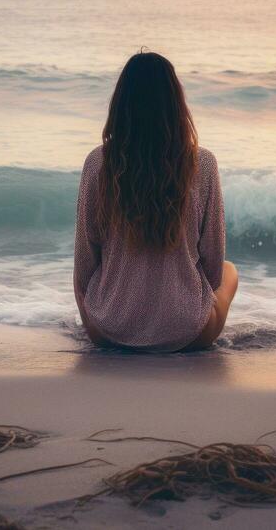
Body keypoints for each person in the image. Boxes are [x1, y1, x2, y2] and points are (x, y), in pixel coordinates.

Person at [73, 50, 238, 352]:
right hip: (187, 334)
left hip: (109, 329)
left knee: (96, 275)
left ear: (121, 103)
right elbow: (213, 267)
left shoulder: (98, 162)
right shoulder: (202, 164)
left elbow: (84, 265)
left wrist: (95, 320)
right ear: (177, 103)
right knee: (230, 271)